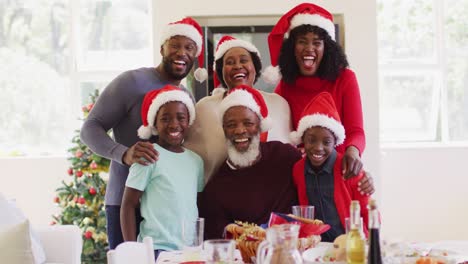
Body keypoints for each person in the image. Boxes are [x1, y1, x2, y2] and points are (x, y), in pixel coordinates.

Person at [80, 17, 206, 249]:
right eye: (174, 45)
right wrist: (124, 154)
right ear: (162, 49)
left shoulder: (186, 98)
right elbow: (90, 128)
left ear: (196, 54)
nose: (181, 53)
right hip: (125, 202)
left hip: (167, 213)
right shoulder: (132, 82)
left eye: (189, 47)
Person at [268, 3, 366, 179]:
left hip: (340, 172)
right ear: (293, 48)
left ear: (326, 48)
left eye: (317, 42)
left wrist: (354, 151)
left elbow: (356, 131)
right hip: (303, 175)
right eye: (302, 42)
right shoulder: (285, 86)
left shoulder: (345, 79)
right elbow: (277, 136)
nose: (309, 48)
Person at [184, 35, 292, 183]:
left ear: (255, 67)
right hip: (217, 197)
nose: (237, 66)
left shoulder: (279, 104)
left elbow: (290, 152)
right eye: (229, 62)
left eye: (243, 60)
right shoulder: (204, 108)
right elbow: (187, 154)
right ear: (221, 70)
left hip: (274, 196)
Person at [199, 85, 300, 239]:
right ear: (224, 130)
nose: (240, 130)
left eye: (248, 123)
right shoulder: (216, 190)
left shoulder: (285, 156)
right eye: (231, 125)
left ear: (260, 126)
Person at [120, 85, 204, 260]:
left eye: (181, 118)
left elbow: (195, 205)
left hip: (189, 250)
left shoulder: (196, 161)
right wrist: (133, 251)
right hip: (157, 250)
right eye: (165, 119)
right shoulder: (148, 155)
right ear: (155, 124)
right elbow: (128, 205)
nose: (174, 124)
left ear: (188, 122)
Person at [290, 92, 369, 242]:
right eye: (311, 140)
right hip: (316, 246)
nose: (318, 148)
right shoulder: (298, 170)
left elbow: (367, 211)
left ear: (335, 143)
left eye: (326, 142)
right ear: (302, 140)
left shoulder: (349, 168)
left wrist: (370, 245)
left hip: (351, 244)